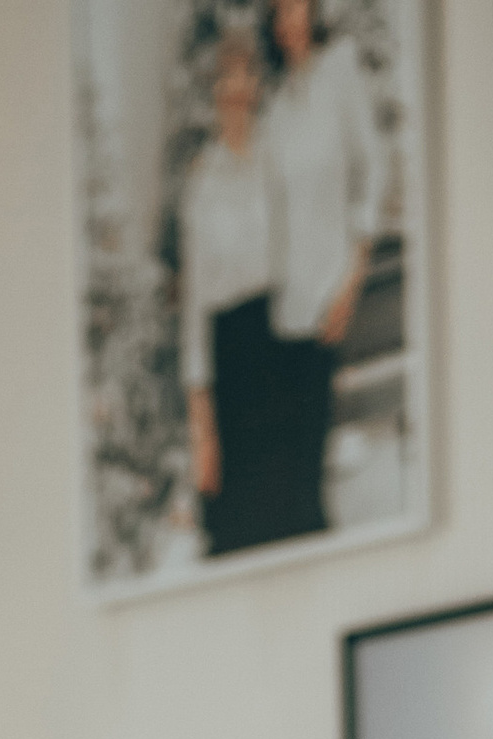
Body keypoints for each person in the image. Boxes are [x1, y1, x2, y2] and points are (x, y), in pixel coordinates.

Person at [253, 0, 377, 546]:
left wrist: (353, 276)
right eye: (278, 11)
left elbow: (369, 170)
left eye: (295, 7)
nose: (287, 20)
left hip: (331, 284)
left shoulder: (341, 73)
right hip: (282, 297)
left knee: (311, 441)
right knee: (289, 457)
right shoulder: (275, 103)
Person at [182, 22, 279, 558]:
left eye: (245, 76)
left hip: (281, 340)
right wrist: (201, 422)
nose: (235, 89)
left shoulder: (278, 163)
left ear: (257, 86)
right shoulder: (203, 182)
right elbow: (195, 303)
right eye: (225, 78)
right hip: (231, 353)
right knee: (235, 522)